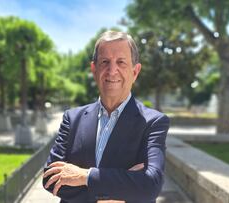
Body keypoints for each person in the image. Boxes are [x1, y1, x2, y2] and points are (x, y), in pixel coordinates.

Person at [43, 30, 170, 203]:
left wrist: (85, 176)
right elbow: (50, 179)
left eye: (121, 62)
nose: (112, 71)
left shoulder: (153, 122)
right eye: (105, 62)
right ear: (94, 69)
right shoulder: (72, 119)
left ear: (135, 71)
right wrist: (120, 190)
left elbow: (150, 185)